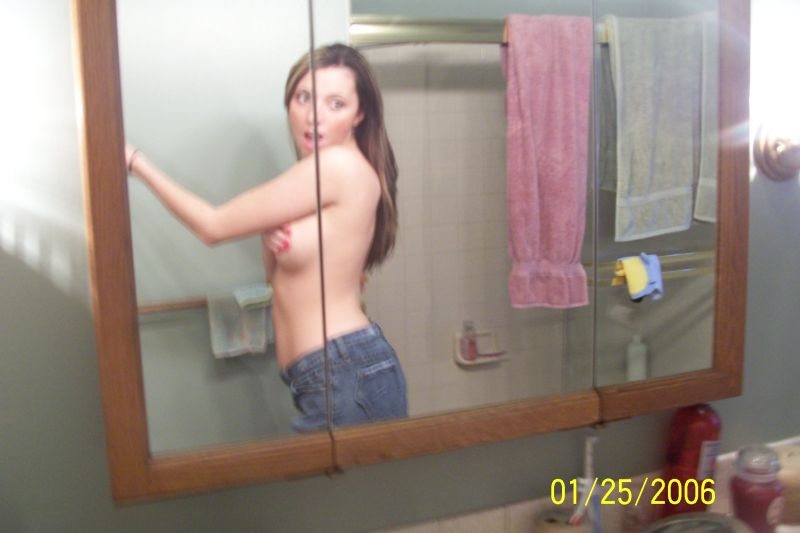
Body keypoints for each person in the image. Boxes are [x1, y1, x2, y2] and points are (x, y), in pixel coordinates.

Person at [126, 43, 407, 432]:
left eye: (336, 104)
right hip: (331, 374)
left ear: (360, 114)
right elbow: (279, 285)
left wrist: (134, 162)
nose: (314, 116)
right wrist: (271, 243)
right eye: (303, 98)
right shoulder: (327, 178)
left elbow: (212, 226)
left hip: (345, 372)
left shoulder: (335, 166)